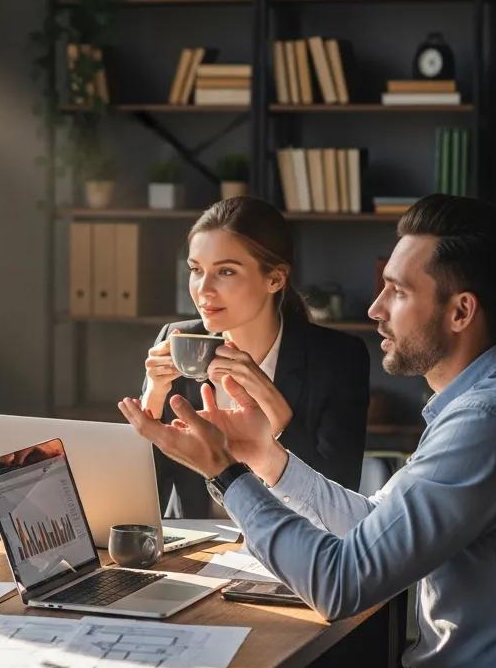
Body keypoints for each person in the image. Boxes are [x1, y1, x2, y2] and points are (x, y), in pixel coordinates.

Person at [119, 194, 496, 668]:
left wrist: (226, 476)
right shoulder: (471, 405)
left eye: (398, 292)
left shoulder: (485, 423)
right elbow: (377, 526)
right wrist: (263, 459)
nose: (375, 309)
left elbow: (342, 581)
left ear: (460, 311)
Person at [141, 196, 369, 518]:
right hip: (202, 547)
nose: (203, 289)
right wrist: (153, 399)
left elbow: (338, 501)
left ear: (275, 279)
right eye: (196, 270)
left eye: (226, 272)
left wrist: (270, 400)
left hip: (296, 550)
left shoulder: (339, 358)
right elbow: (143, 498)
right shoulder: (178, 342)